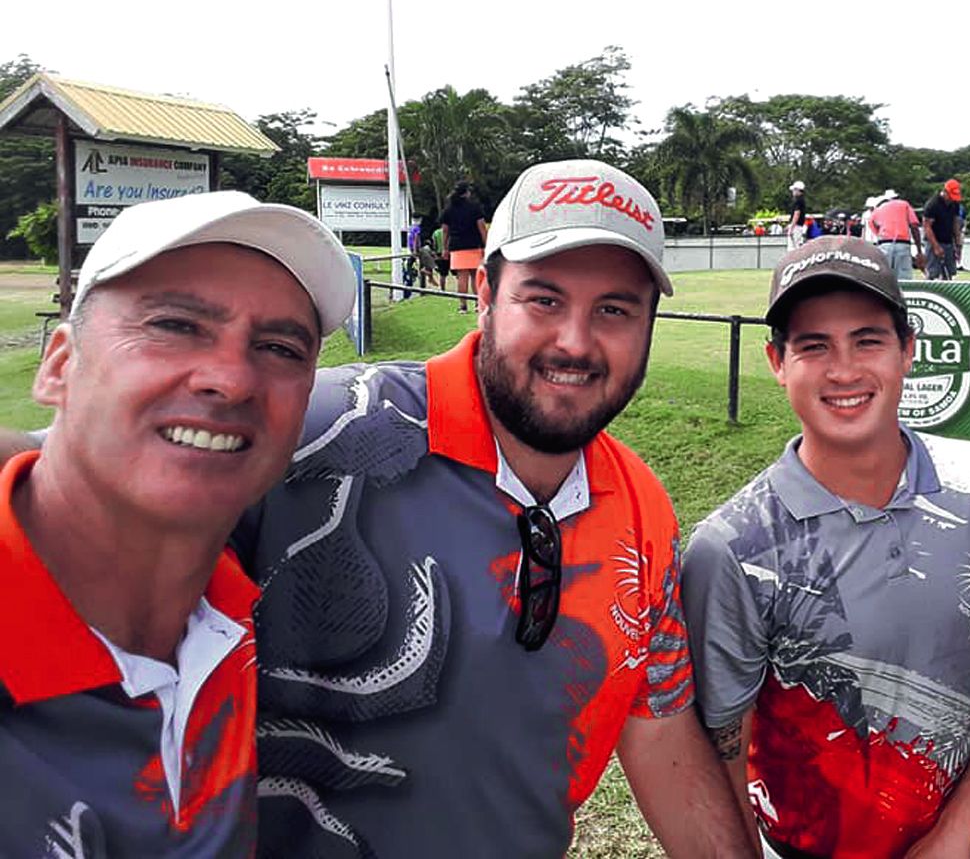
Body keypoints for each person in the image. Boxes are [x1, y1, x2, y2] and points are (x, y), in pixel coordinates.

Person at [237, 161, 753, 859]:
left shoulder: (641, 507)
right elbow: (84, 488)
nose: (575, 340)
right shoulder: (326, 427)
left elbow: (657, 722)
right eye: (543, 299)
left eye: (614, 309)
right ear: (484, 292)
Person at [0, 191, 354, 855]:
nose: (231, 378)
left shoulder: (226, 623)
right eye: (175, 325)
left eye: (279, 346)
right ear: (59, 366)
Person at [681, 236, 970, 859]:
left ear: (908, 350)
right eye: (813, 346)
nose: (843, 370)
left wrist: (958, 833)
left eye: (867, 340)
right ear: (776, 360)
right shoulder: (733, 547)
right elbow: (720, 752)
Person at [439, 180, 489, 314]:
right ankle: (478, 304)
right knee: (475, 276)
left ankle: (463, 306)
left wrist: (445, 248)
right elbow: (482, 227)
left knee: (462, 277)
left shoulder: (449, 209)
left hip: (457, 245)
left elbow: (445, 230)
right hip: (473, 244)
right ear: (466, 192)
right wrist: (486, 244)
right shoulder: (474, 207)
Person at [870, 188, 923, 281]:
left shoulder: (878, 209)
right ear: (897, 197)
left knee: (884, 278)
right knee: (904, 278)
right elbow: (914, 225)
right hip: (902, 243)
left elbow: (872, 224)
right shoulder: (905, 205)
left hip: (885, 243)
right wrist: (919, 249)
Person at [921, 180, 961, 280]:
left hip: (948, 241)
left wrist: (958, 243)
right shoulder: (933, 204)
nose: (952, 199)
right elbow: (927, 226)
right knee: (933, 273)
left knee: (949, 272)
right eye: (951, 196)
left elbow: (955, 223)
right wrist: (935, 246)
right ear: (945, 192)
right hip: (933, 241)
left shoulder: (954, 204)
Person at [944, 178, 966, 274]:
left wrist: (958, 239)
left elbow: (959, 221)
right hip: (944, 234)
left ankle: (958, 263)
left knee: (958, 247)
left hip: (957, 231)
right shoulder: (934, 204)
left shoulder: (958, 206)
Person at [788, 180, 808, 249]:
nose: (793, 192)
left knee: (793, 247)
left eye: (794, 190)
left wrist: (791, 228)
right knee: (796, 245)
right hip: (799, 226)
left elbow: (797, 214)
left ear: (798, 190)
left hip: (796, 226)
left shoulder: (798, 201)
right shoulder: (801, 200)